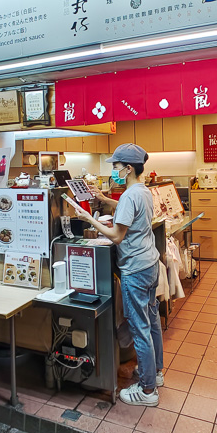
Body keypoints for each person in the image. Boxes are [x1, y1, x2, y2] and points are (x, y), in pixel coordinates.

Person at [77, 144, 163, 406]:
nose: (113, 170)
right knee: (152, 320)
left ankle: (148, 391)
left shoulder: (129, 196)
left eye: (115, 167)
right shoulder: (141, 190)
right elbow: (129, 210)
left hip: (135, 270)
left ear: (127, 169)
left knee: (140, 328)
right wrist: (105, 200)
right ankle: (155, 373)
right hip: (150, 264)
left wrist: (89, 219)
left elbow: (116, 235)